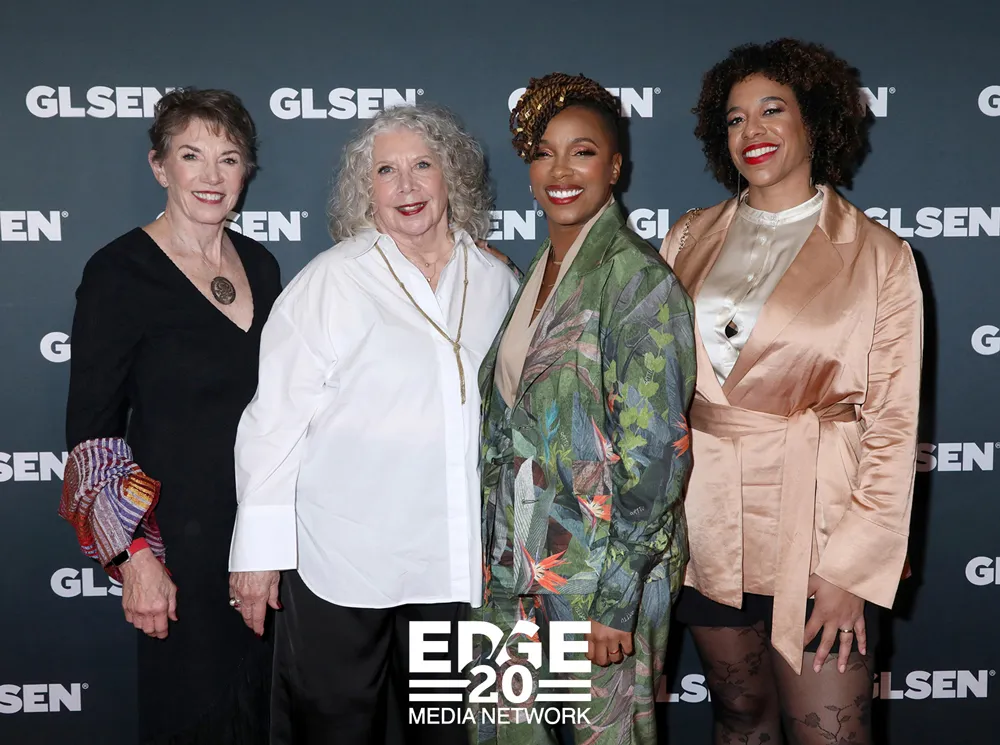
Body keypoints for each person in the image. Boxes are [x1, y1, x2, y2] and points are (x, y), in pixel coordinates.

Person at [226, 103, 520, 745]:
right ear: (367, 192)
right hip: (343, 559)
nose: (406, 185)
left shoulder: (497, 281)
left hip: (454, 563)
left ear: (452, 177)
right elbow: (274, 422)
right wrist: (257, 557)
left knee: (448, 733)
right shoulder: (331, 281)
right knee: (332, 731)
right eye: (386, 171)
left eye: (423, 165)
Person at [659, 38, 923, 744]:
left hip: (820, 531)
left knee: (830, 733)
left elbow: (892, 424)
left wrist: (853, 572)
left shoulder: (880, 255)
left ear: (816, 121)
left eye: (772, 110)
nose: (752, 130)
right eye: (735, 118)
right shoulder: (687, 236)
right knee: (740, 720)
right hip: (708, 525)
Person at [474, 73, 696, 745]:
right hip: (511, 571)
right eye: (544, 153)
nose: (561, 170)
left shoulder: (639, 282)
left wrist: (615, 602)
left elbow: (655, 463)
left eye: (583, 151)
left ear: (616, 166)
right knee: (502, 734)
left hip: (599, 580)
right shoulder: (534, 273)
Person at [59, 88, 281, 743]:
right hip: (174, 551)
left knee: (269, 716)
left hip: (266, 542)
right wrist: (134, 558)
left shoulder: (263, 265)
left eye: (229, 158)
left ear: (246, 172)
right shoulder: (119, 272)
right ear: (160, 167)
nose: (212, 175)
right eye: (192, 156)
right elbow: (91, 436)